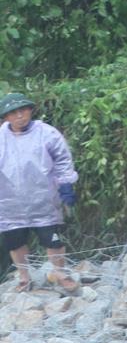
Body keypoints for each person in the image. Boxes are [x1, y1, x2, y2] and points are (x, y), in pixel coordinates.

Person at [2, 93, 78, 294]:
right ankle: (24, 277)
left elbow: (63, 159)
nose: (20, 116)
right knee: (15, 241)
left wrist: (66, 184)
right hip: (9, 202)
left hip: (43, 198)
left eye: (23, 110)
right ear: (6, 117)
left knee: (52, 238)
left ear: (30, 110)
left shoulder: (46, 133)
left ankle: (60, 273)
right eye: (13, 113)